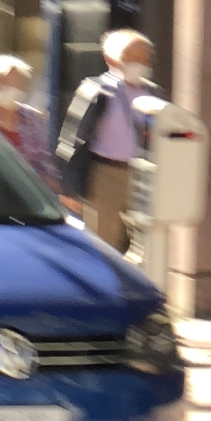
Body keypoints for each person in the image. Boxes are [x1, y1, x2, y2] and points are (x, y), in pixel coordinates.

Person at [55, 29, 154, 253]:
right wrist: (69, 185)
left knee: (145, 243)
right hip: (105, 175)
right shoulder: (95, 90)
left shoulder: (150, 92)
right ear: (111, 59)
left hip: (141, 174)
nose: (140, 63)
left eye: (144, 57)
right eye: (132, 58)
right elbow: (72, 137)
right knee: (104, 242)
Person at [0, 54, 59, 194]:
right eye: (4, 83)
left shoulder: (34, 120)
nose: (13, 89)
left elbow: (49, 167)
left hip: (34, 203)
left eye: (17, 84)